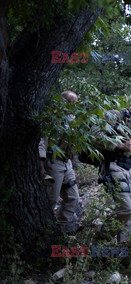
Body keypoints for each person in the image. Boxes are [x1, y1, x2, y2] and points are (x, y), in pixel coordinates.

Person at [93, 89, 131, 243]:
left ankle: (123, 254)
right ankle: (100, 237)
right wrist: (119, 145)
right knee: (126, 209)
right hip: (114, 167)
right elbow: (94, 135)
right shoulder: (115, 115)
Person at [38, 90, 83, 234]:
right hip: (53, 163)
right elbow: (42, 142)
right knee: (51, 199)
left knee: (73, 197)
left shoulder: (73, 120)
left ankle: (62, 229)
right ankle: (44, 232)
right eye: (70, 101)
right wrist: (41, 164)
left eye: (75, 102)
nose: (73, 105)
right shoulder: (53, 119)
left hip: (67, 163)